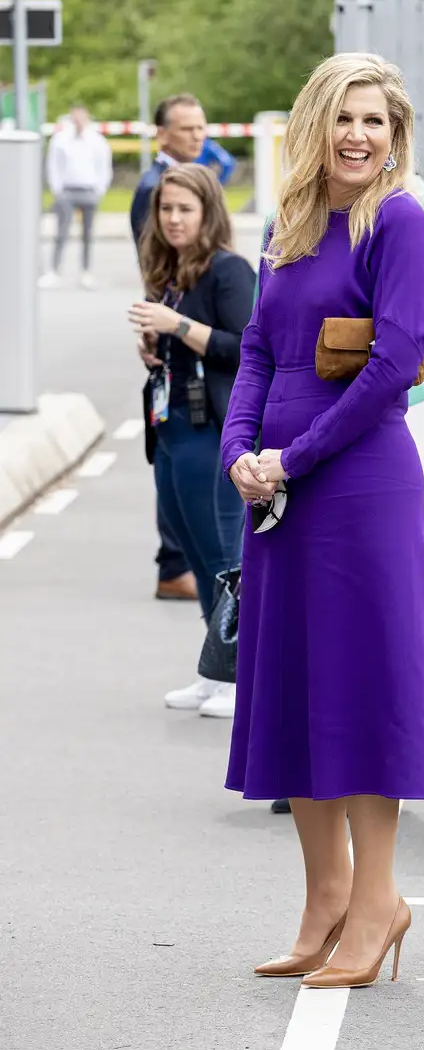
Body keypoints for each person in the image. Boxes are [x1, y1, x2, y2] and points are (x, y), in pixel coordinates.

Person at [221, 52, 424, 988]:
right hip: (279, 493)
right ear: (315, 126)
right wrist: (238, 449)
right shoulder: (291, 223)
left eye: (375, 122)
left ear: (394, 137)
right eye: (344, 118)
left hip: (356, 488)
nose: (358, 136)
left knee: (359, 689)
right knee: (295, 688)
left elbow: (394, 365)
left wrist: (293, 456)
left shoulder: (396, 220)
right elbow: (258, 351)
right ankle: (327, 897)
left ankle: (378, 902)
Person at [128, 164, 256, 715]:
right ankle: (214, 670)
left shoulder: (228, 270)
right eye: (166, 209)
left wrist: (176, 325)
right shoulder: (170, 271)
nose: (174, 219)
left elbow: (246, 348)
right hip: (171, 427)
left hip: (212, 431)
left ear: (208, 213)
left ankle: (240, 677)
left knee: (222, 554)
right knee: (192, 545)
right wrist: (153, 346)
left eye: (185, 209)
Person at [130, 94, 208, 605]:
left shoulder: (184, 178)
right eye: (186, 129)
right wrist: (163, 323)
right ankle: (175, 563)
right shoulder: (154, 187)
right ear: (162, 134)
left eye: (202, 128)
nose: (198, 137)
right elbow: (155, 262)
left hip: (175, 326)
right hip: (171, 332)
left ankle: (179, 561)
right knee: (175, 444)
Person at [39, 105, 112, 289]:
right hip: (67, 191)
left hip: (89, 190)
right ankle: (54, 270)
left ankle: (86, 271)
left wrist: (100, 189)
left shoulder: (97, 141)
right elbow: (53, 165)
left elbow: (104, 166)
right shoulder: (61, 140)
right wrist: (57, 189)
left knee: (88, 233)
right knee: (61, 232)